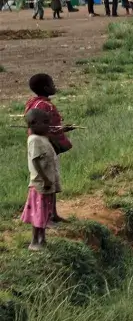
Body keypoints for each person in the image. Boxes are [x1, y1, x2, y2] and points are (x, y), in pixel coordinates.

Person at [25, 74, 73, 226]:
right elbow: (45, 128)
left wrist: (61, 129)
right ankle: (47, 217)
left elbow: (45, 127)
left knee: (51, 181)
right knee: (46, 183)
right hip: (45, 148)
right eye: (52, 83)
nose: (55, 86)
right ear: (46, 88)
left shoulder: (36, 103)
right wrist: (60, 130)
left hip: (47, 147)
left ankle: (53, 214)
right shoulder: (43, 106)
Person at [21, 109, 60, 251]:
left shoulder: (42, 138)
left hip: (46, 183)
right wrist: (45, 179)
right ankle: (34, 241)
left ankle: (42, 239)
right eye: (45, 123)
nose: (48, 125)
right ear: (33, 124)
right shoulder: (34, 140)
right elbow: (35, 161)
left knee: (44, 212)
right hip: (40, 184)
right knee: (38, 213)